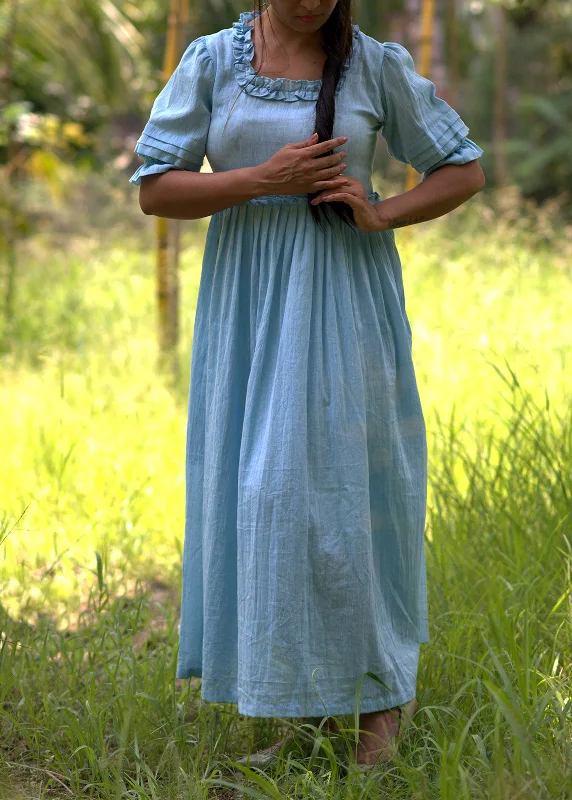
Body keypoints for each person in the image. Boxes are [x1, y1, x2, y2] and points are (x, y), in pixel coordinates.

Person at [129, 0, 485, 768]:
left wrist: (383, 212)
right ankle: (305, 711)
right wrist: (265, 178)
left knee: (346, 495)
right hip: (249, 311)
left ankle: (379, 713)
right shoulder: (214, 63)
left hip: (342, 301)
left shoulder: (372, 64)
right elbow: (156, 188)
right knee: (265, 502)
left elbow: (463, 169)